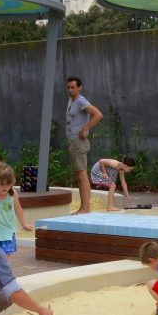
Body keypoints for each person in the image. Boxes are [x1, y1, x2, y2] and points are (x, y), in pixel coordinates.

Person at [65, 76, 102, 214]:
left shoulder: (81, 101)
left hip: (78, 142)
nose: (70, 90)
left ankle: (85, 208)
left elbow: (98, 115)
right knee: (79, 175)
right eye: (68, 87)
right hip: (73, 142)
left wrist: (86, 128)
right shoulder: (71, 101)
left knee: (82, 175)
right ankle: (83, 207)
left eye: (73, 87)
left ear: (79, 87)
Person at [0, 163, 34, 255]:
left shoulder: (12, 195)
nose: (5, 187)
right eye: (2, 184)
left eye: (8, 184)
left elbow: (18, 208)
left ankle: (3, 269)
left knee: (5, 257)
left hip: (8, 232)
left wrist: (23, 224)